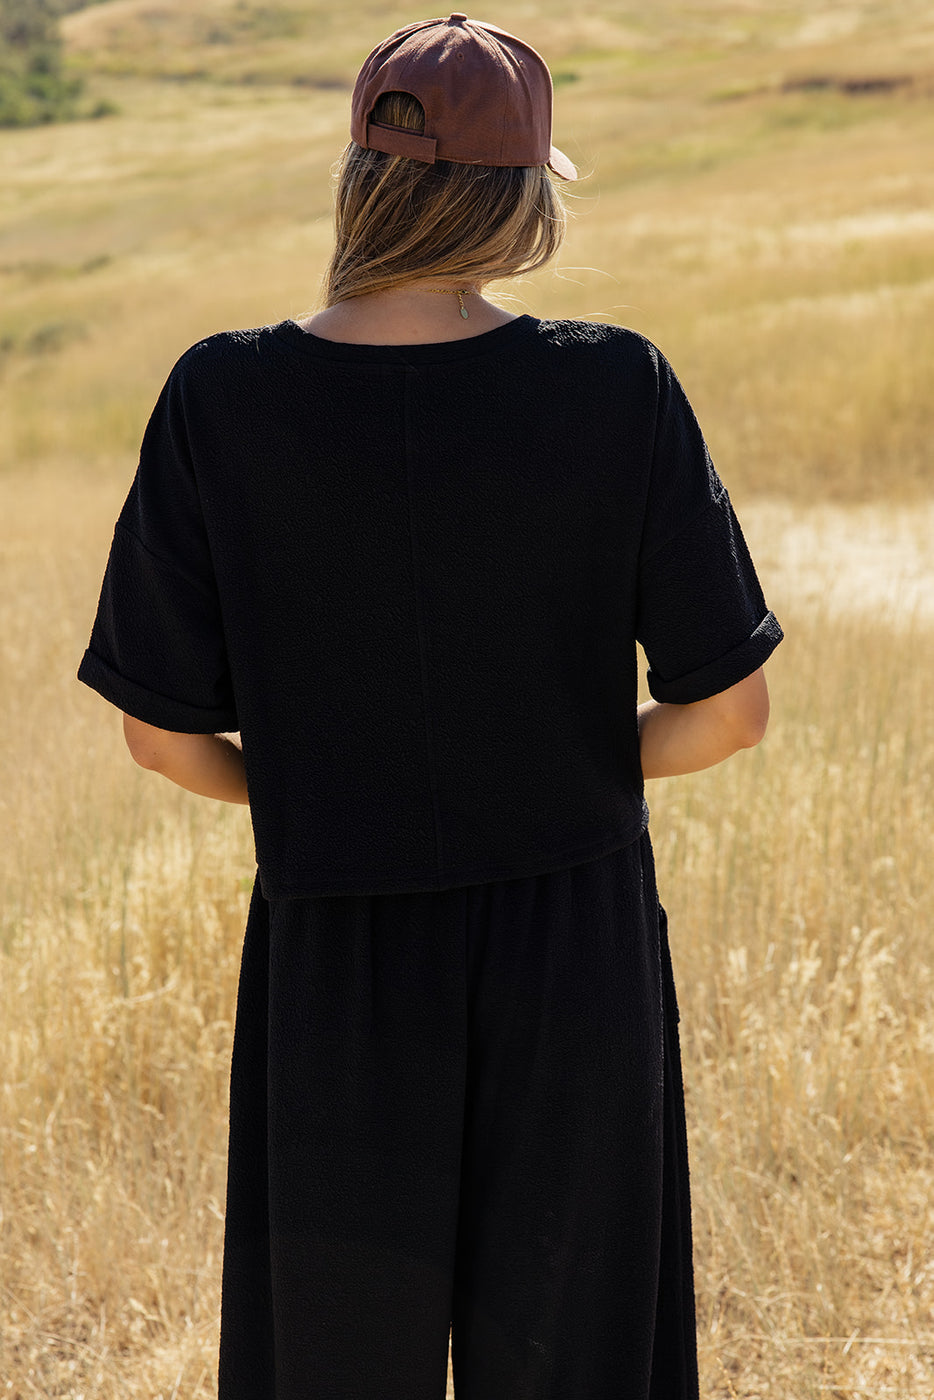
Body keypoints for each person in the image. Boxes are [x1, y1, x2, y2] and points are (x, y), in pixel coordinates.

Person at [77, 13, 783, 1399]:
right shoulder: (612, 383)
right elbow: (730, 712)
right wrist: (565, 775)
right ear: (521, 199)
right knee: (583, 1361)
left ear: (359, 179)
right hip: (570, 939)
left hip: (333, 950)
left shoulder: (221, 396)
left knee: (329, 1365)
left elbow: (160, 733)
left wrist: (322, 790)